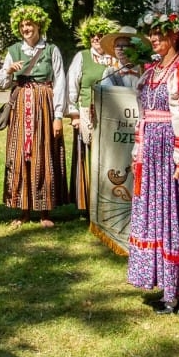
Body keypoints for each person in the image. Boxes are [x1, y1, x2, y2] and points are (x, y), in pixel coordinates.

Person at [126, 12, 179, 314]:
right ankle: (162, 281)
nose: (154, 39)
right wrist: (139, 148)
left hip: (172, 150)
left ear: (175, 36)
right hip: (152, 152)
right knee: (156, 214)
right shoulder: (151, 73)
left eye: (160, 34)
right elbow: (144, 114)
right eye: (152, 34)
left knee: (176, 215)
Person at [0, 4, 67, 227]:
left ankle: (45, 211)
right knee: (20, 155)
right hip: (20, 108)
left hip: (43, 105)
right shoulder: (13, 50)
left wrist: (57, 116)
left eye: (30, 24)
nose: (26, 28)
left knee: (43, 152)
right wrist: (8, 70)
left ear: (39, 25)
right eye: (23, 25)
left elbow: (60, 82)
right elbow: (0, 82)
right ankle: (23, 209)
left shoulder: (51, 50)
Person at [66, 16, 118, 216]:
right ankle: (87, 203)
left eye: (101, 35)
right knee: (87, 156)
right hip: (87, 111)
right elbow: (73, 85)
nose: (97, 38)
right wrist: (74, 114)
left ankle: (109, 199)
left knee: (108, 155)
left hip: (110, 113)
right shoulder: (83, 57)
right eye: (94, 36)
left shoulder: (114, 58)